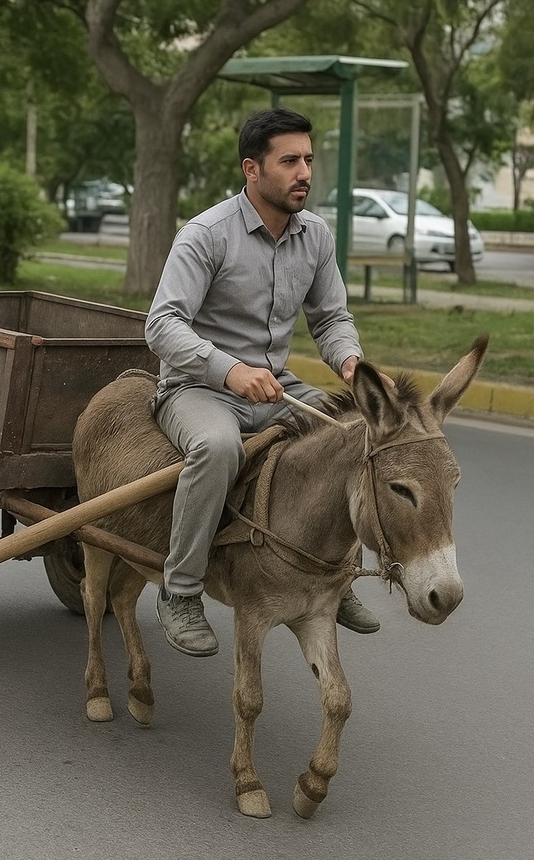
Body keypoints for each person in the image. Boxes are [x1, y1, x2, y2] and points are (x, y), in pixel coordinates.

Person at [144, 106, 380, 657]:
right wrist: (230, 369)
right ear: (252, 169)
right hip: (197, 389)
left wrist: (350, 362)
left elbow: (330, 318)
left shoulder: (315, 236)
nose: (304, 173)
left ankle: (338, 578)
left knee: (353, 432)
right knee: (218, 447)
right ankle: (179, 592)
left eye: (309, 161)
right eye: (290, 161)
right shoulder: (205, 234)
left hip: (277, 386)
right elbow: (161, 324)